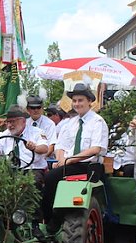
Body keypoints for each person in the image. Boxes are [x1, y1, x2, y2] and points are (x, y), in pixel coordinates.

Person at [42, 83, 108, 228]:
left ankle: (53, 220)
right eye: (75, 101)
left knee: (51, 177)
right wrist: (61, 160)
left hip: (88, 166)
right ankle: (41, 218)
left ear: (90, 101)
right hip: (69, 164)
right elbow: (60, 146)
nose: (77, 104)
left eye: (81, 100)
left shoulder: (97, 122)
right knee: (43, 176)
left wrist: (69, 160)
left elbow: (95, 149)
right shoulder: (70, 124)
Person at [0, 105, 50, 185]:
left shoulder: (36, 132)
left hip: (33, 169)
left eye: (13, 121)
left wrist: (34, 148)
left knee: (32, 182)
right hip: (10, 170)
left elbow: (45, 148)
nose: (10, 125)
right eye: (8, 122)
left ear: (23, 121)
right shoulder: (3, 135)